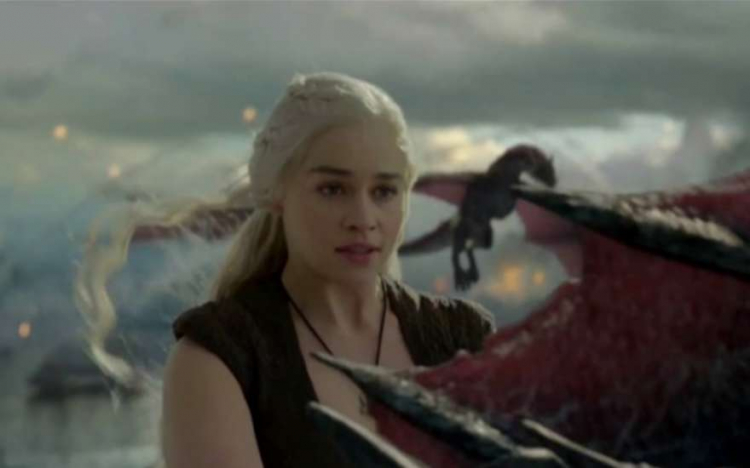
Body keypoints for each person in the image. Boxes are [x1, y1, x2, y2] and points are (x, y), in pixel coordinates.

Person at [158, 72, 496, 468]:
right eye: (333, 189)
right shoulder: (218, 359)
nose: (363, 219)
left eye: (384, 191)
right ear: (277, 192)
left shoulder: (465, 339)